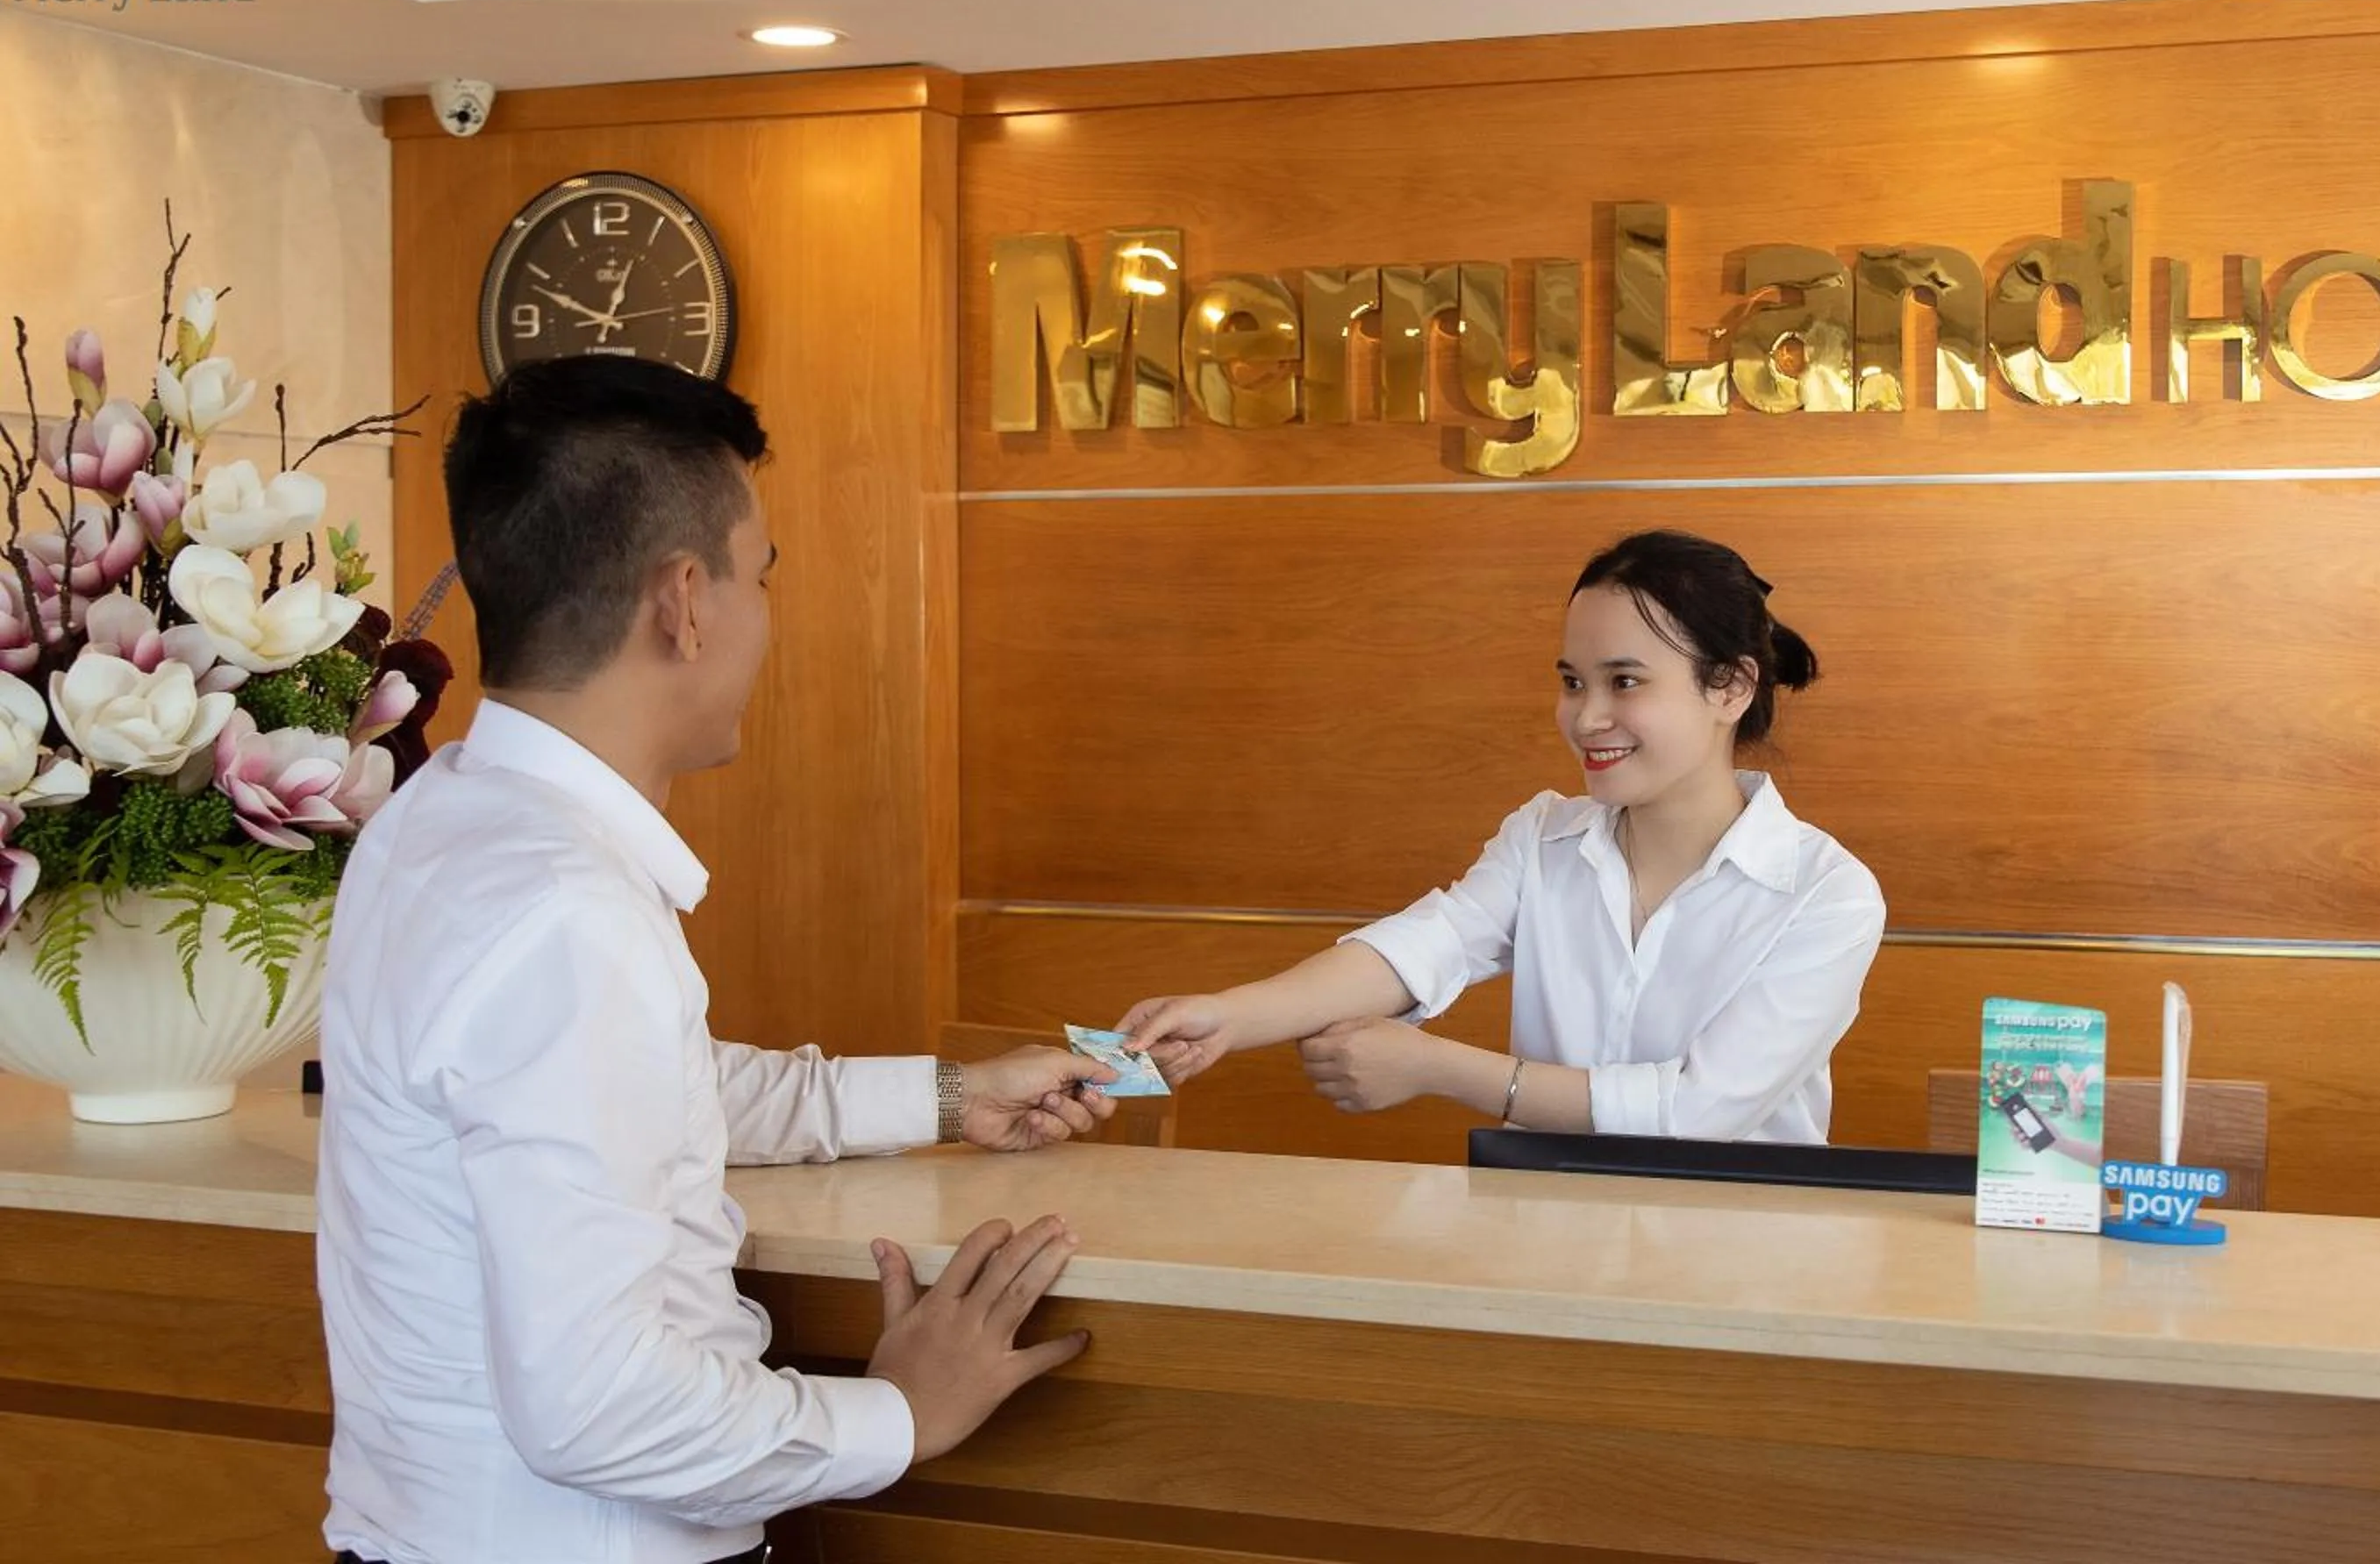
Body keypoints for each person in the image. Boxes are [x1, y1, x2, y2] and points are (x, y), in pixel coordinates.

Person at [315, 356, 1116, 1564]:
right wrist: (898, 1415)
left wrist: (947, 1095)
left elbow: (627, 1091)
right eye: (762, 575)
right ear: (684, 602)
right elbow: (597, 1410)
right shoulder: (563, 910)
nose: (765, 614)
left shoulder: (440, 819)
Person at [1120, 529, 1883, 1144]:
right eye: (1573, 681)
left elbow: (1694, 1112)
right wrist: (1226, 1017)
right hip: (1540, 1243)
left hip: (1740, 1267)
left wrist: (1440, 1068)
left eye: (1624, 681)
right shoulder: (1544, 836)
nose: (1586, 718)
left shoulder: (1826, 894)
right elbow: (1422, 947)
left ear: (1731, 686)